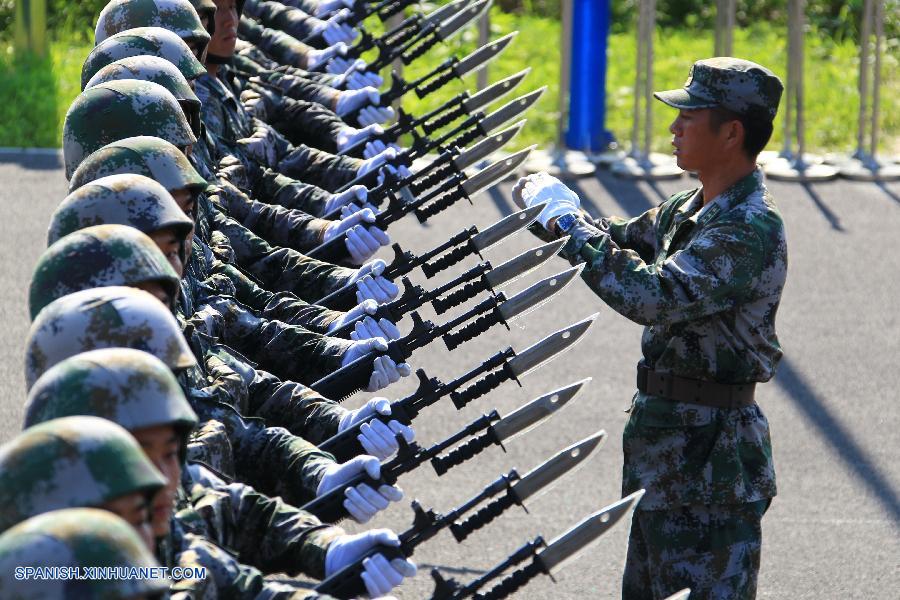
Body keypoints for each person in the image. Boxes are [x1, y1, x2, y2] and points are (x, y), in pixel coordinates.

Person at [513, 57, 787, 599]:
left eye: (690, 117)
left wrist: (570, 230)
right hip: (665, 450)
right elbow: (614, 241)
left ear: (731, 132)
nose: (674, 127)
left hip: (712, 462)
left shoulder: (749, 226)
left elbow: (655, 295)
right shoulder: (691, 207)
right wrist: (558, 213)